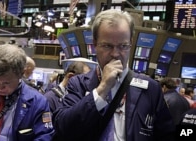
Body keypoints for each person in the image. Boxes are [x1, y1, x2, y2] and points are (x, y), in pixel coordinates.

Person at [53, 9, 175, 141]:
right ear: (94, 44)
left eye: (123, 46)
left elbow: (166, 135)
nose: (115, 54)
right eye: (107, 46)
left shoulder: (151, 88)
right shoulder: (78, 84)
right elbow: (63, 128)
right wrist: (102, 89)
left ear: (131, 43)